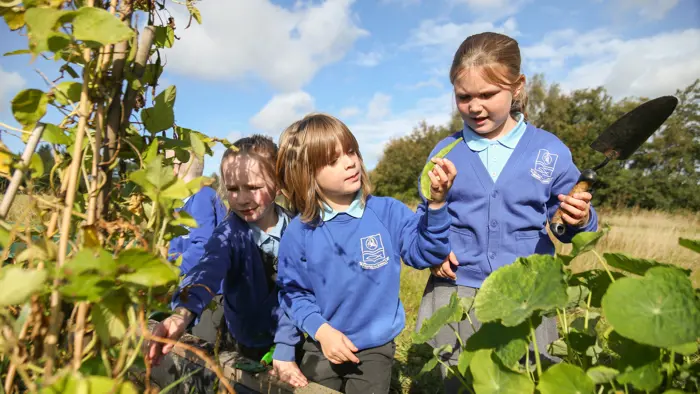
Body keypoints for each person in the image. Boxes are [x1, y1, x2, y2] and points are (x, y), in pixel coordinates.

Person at [414, 31, 599, 393]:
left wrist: (580, 219)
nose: (475, 106)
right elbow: (427, 215)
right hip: (457, 291)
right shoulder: (445, 150)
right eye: (464, 97)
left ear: (516, 87)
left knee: (523, 380)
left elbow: (563, 228)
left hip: (525, 295)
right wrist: (434, 252)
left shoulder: (549, 152)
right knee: (457, 380)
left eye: (487, 95)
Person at [274, 113, 456, 393]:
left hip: (373, 347)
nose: (350, 162)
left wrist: (436, 204)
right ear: (307, 174)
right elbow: (294, 293)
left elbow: (426, 253)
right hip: (320, 343)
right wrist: (322, 332)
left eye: (351, 152)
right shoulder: (299, 232)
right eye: (333, 160)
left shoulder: (387, 212)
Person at [148, 135, 308, 388]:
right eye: (233, 190)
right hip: (245, 339)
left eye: (253, 188)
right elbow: (207, 269)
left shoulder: (297, 230)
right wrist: (182, 314)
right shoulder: (228, 234)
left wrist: (286, 345)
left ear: (278, 185)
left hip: (292, 336)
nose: (242, 199)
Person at [166, 151, 227, 276]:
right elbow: (175, 247)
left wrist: (171, 271)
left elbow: (203, 245)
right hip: (192, 277)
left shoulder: (201, 196)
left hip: (211, 285)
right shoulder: (179, 203)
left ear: (175, 168)